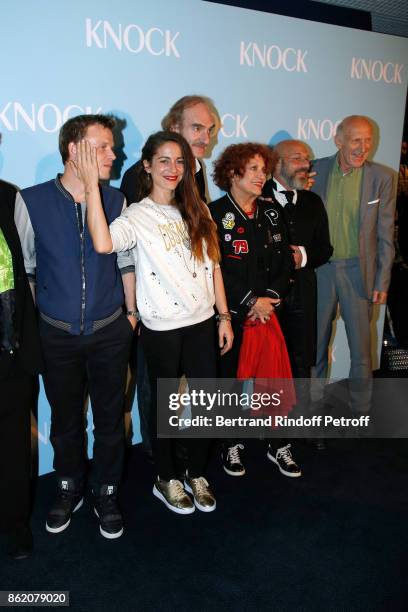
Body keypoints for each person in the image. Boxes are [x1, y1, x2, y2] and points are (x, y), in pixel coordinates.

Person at [79, 130, 233, 514]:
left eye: (180, 161)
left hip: (202, 322)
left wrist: (224, 316)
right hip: (161, 328)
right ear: (146, 166)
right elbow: (102, 243)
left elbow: (213, 268)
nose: (173, 169)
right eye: (163, 160)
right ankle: (166, 478)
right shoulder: (136, 215)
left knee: (206, 403)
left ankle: (195, 472)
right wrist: (93, 188)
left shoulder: (198, 211)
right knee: (163, 409)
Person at [14, 114, 136, 539]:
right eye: (102, 146)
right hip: (56, 334)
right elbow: (27, 270)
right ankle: (68, 487)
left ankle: (106, 492)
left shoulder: (118, 201)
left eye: (112, 146)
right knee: (65, 421)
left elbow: (125, 264)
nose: (113, 154)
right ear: (74, 151)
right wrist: (39, 326)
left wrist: (132, 315)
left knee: (109, 420)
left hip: (109, 332)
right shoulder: (29, 201)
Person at [120, 96, 216, 459]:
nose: (205, 136)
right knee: (155, 387)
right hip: (154, 310)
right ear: (172, 128)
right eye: (197, 127)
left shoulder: (196, 170)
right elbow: (129, 252)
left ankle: (182, 456)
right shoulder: (140, 178)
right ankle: (159, 461)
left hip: (192, 310)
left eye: (209, 130)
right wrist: (135, 309)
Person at [209, 143, 294, 477]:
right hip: (231, 317)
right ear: (233, 172)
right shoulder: (213, 215)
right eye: (255, 169)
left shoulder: (273, 212)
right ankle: (230, 443)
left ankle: (277, 442)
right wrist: (248, 302)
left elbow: (285, 262)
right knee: (228, 383)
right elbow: (212, 267)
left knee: (274, 380)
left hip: (269, 314)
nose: (263, 176)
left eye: (265, 169)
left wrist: (269, 299)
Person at [311, 115, 396, 419]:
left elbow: (387, 237)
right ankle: (314, 410)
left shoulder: (382, 178)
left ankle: (362, 411)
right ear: (339, 140)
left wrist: (381, 283)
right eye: (356, 140)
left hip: (359, 274)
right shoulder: (314, 170)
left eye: (368, 140)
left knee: (361, 351)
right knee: (315, 348)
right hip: (320, 272)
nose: (363, 148)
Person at [263, 139, 332, 452]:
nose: (305, 164)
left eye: (307, 158)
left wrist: (302, 256)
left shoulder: (313, 202)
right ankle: (270, 426)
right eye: (297, 158)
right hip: (266, 295)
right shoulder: (257, 197)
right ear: (276, 163)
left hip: (303, 291)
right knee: (267, 361)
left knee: (302, 360)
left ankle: (302, 422)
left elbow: (324, 248)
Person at [0, 176, 43, 559]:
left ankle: (15, 525)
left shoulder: (8, 196)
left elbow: (27, 266)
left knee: (14, 447)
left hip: (11, 349)